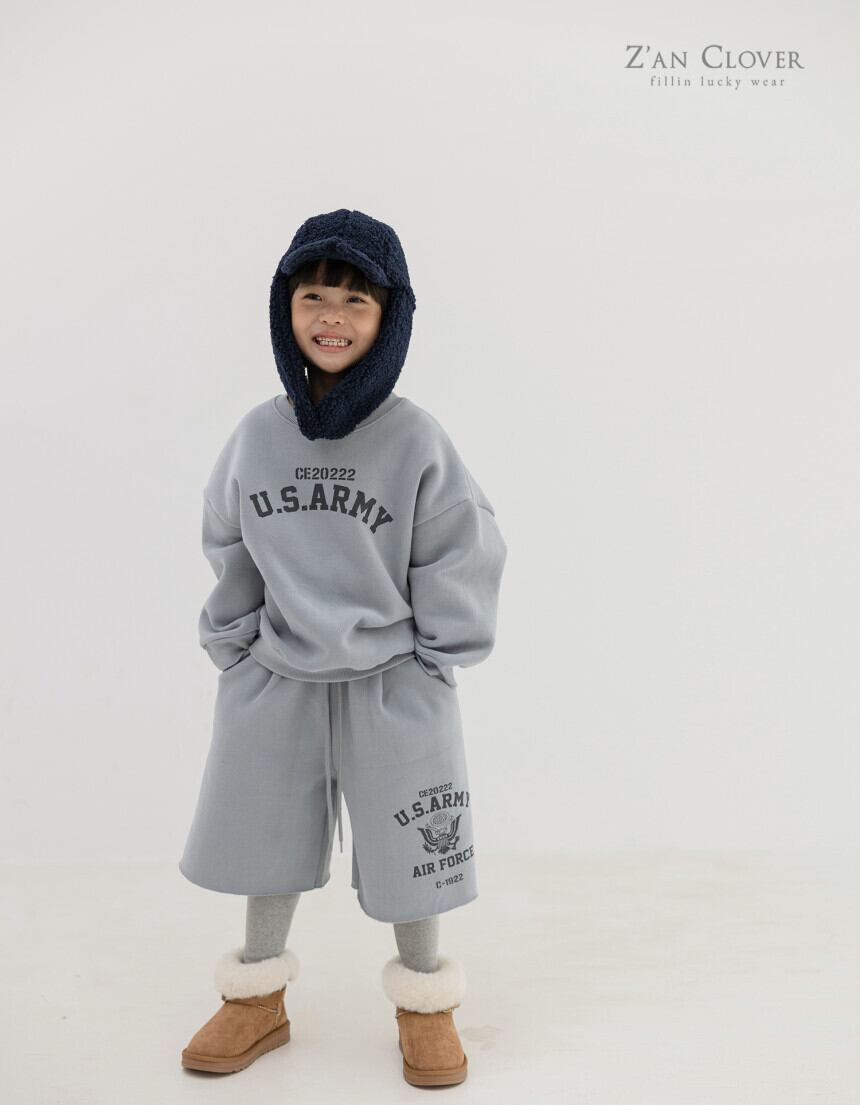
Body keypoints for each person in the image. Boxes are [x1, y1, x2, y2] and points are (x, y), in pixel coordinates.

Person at [178, 208, 507, 1087]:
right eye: (313, 297)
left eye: (356, 300)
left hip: (394, 678)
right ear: (284, 308)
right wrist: (234, 644)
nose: (331, 316)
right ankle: (256, 996)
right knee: (264, 834)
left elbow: (460, 543)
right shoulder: (257, 435)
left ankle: (425, 1002)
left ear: (389, 316)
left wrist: (439, 654)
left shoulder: (414, 438)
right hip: (277, 673)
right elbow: (227, 539)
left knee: (418, 842)